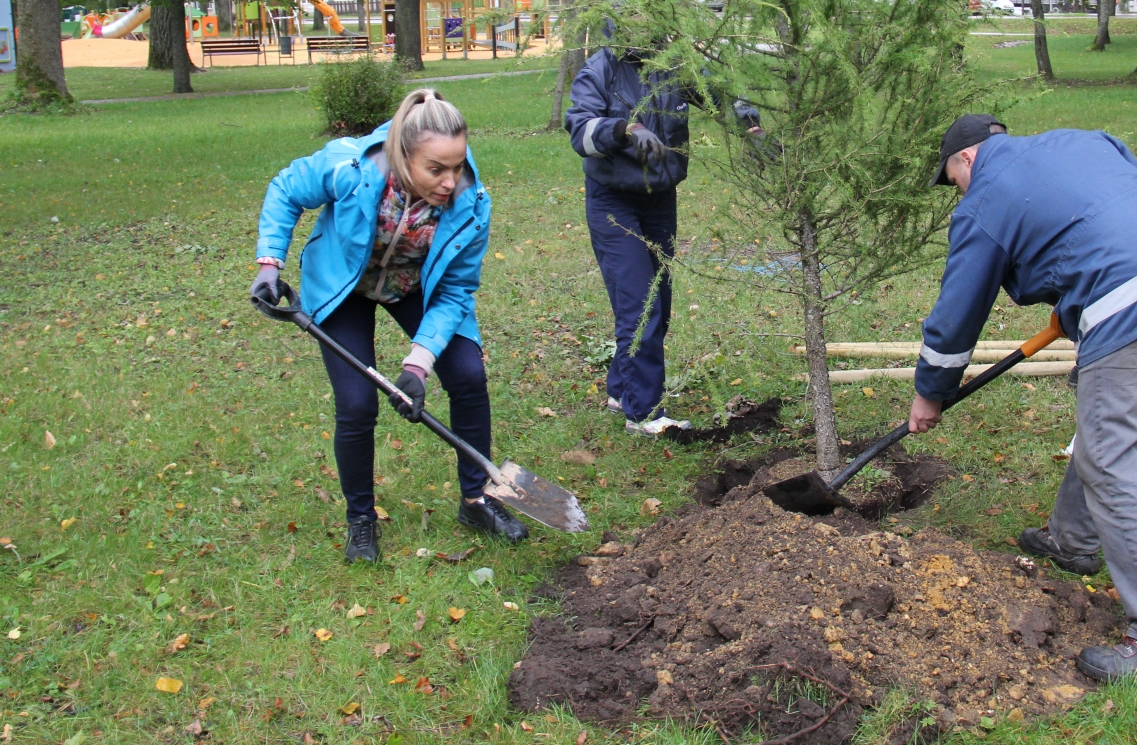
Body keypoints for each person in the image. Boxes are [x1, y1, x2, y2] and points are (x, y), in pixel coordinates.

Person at [910, 115, 1137, 681]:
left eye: (952, 179)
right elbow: (1115, 203)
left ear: (967, 159)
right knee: (1108, 429)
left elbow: (956, 320)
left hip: (1126, 292)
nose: (957, 193)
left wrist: (931, 393)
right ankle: (1072, 540)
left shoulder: (982, 201)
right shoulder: (1081, 138)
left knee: (1109, 455)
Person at [251, 89, 525, 562]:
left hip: (416, 286)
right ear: (403, 155)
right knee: (357, 405)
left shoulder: (471, 205)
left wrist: (418, 366)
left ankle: (477, 501)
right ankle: (361, 520)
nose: (449, 180)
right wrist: (269, 263)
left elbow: (456, 291)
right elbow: (286, 188)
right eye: (435, 169)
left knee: (467, 375)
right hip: (345, 285)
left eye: (456, 166)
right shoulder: (351, 168)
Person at [565, 29, 761, 436]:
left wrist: (752, 128)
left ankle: (622, 390)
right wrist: (625, 130)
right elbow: (579, 131)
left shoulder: (672, 65)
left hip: (659, 198)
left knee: (658, 300)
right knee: (640, 303)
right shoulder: (600, 69)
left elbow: (718, 92)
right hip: (613, 201)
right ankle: (643, 414)